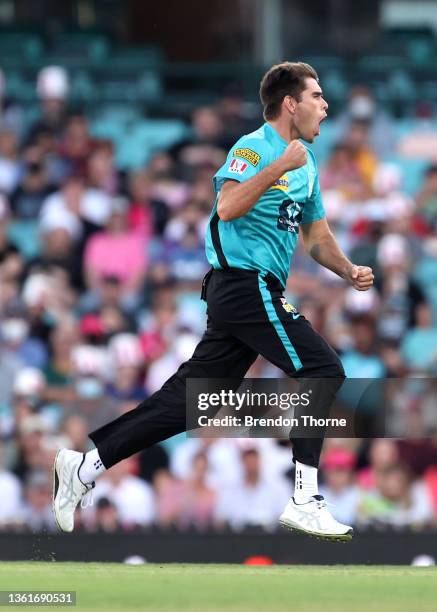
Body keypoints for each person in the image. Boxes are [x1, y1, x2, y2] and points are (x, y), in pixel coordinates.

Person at [53, 61, 373, 540]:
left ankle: (84, 466)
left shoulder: (305, 164)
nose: (325, 106)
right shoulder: (254, 147)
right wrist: (276, 168)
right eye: (317, 96)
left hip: (249, 294)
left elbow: (317, 236)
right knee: (324, 370)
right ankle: (304, 498)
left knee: (188, 401)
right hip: (245, 285)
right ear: (290, 104)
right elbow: (226, 206)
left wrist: (346, 268)